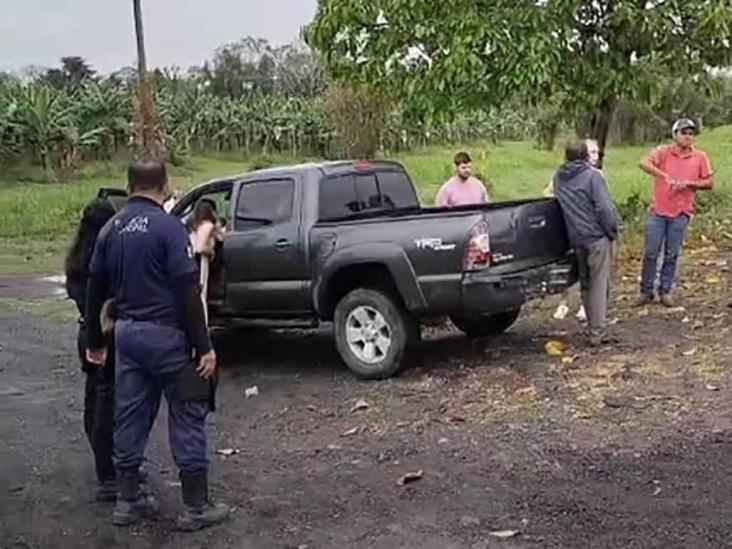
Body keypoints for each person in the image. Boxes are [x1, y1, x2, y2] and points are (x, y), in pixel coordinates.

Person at [85, 158, 229, 531]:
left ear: (129, 185)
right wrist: (204, 346)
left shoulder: (110, 229)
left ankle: (128, 499)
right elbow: (186, 289)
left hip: (128, 336)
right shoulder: (168, 229)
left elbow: (94, 287)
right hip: (167, 336)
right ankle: (196, 507)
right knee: (187, 413)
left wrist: (94, 339)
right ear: (163, 186)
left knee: (129, 414)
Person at [65, 198, 118, 502]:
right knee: (108, 402)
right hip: (104, 333)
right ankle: (108, 473)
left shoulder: (75, 260)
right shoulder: (104, 260)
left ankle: (104, 466)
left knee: (94, 398)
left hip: (86, 331)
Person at [637, 118, 714, 307]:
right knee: (651, 252)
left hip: (681, 212)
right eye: (684, 133)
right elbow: (643, 163)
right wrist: (664, 176)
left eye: (691, 134)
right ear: (674, 135)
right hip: (658, 210)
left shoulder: (699, 157)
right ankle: (646, 291)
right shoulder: (663, 152)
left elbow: (709, 182)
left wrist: (689, 184)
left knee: (672, 253)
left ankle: (666, 290)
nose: (688, 137)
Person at [553, 138, 619, 346]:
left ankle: (592, 326)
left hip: (575, 237)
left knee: (586, 283)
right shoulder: (592, 177)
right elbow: (604, 209)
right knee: (600, 284)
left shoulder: (559, 178)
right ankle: (596, 332)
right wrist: (612, 231)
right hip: (596, 236)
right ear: (584, 156)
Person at [544, 138, 602, 322]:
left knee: (589, 272)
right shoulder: (562, 175)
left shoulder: (596, 175)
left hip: (588, 233)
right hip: (571, 231)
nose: (595, 156)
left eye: (597, 152)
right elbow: (547, 193)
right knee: (572, 269)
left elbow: (601, 206)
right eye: (592, 152)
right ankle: (564, 303)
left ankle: (586, 307)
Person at [186, 199, 219, 324]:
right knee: (201, 296)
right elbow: (200, 247)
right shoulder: (207, 225)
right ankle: (202, 325)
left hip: (191, 259)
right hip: (200, 260)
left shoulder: (194, 225)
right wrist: (211, 251)